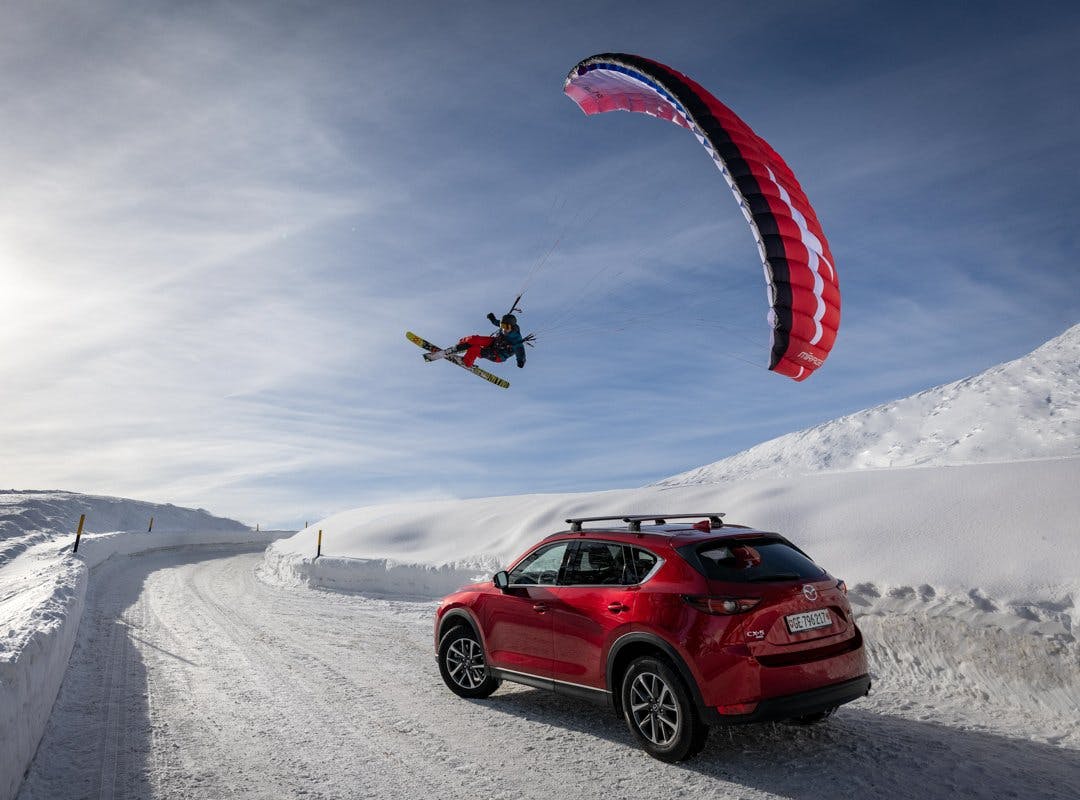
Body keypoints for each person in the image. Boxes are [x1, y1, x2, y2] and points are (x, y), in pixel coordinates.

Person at [449, 313, 527, 369]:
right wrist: (492, 319)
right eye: (502, 326)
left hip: (498, 354)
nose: (504, 329)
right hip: (494, 342)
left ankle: (466, 362)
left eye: (506, 327)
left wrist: (521, 361)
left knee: (475, 349)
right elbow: (497, 322)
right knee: (474, 339)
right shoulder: (503, 327)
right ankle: (460, 345)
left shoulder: (516, 338)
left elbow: (520, 351)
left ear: (512, 327)